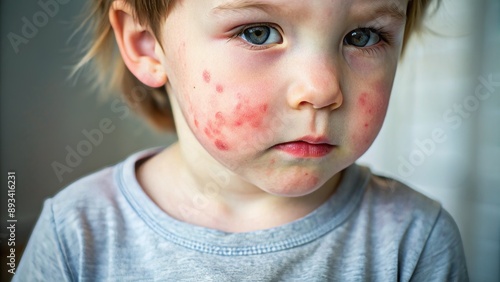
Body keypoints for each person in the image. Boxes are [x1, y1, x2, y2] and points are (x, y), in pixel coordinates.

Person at [15, 0, 469, 280]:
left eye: (362, 36)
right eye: (259, 33)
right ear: (146, 44)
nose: (322, 89)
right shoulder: (77, 233)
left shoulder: (414, 240)